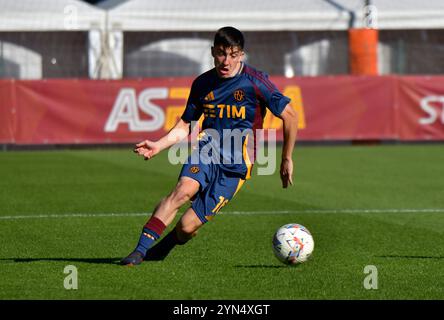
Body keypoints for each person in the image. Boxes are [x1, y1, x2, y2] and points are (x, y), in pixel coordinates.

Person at [121, 26, 298, 266]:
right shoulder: (202, 83)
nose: (226, 61)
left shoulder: (255, 82)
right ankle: (139, 252)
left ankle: (166, 245)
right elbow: (186, 124)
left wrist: (286, 158)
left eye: (233, 55)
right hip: (207, 151)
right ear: (212, 52)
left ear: (242, 55)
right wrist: (159, 145)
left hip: (236, 167)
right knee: (181, 192)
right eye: (222, 54)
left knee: (186, 227)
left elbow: (290, 115)